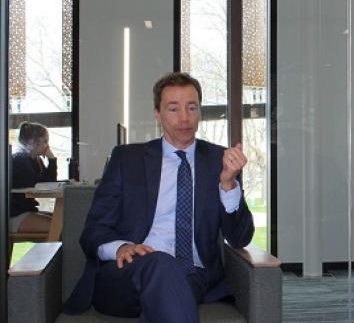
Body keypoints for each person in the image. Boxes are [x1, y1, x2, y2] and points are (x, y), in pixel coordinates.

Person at [64, 72, 255, 323]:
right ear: (158, 113)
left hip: (192, 274)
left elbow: (240, 237)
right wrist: (121, 247)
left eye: (191, 107)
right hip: (126, 274)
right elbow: (93, 232)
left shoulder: (219, 162)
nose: (184, 118)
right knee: (160, 265)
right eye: (173, 109)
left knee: (168, 282)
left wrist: (228, 183)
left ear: (200, 111)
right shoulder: (127, 160)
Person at [10, 121, 55, 234]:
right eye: (45, 141)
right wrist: (52, 160)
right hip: (14, 214)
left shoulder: (36, 160)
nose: (47, 146)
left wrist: (52, 160)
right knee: (59, 227)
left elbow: (49, 182)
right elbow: (36, 184)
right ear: (32, 142)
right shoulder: (19, 160)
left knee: (65, 221)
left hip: (26, 210)